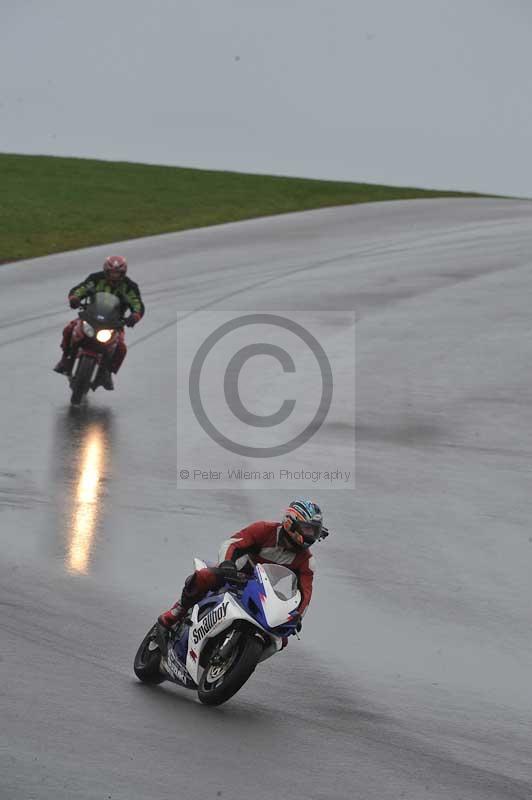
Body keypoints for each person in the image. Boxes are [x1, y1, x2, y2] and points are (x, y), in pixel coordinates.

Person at [157, 499, 329, 637]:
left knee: (281, 638)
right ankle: (177, 611)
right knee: (204, 576)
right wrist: (226, 565)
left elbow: (305, 594)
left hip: (265, 595)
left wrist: (297, 616)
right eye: (307, 529)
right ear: (291, 523)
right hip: (235, 577)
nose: (311, 536)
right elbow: (231, 543)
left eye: (314, 531)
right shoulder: (264, 529)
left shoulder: (307, 561)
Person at [53, 255, 145, 390]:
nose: (114, 276)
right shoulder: (95, 279)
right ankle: (64, 359)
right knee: (69, 329)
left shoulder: (130, 286)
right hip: (90, 317)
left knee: (121, 348)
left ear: (123, 273)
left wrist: (135, 316)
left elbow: (137, 304)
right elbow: (81, 289)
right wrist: (74, 298)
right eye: (111, 273)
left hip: (115, 323)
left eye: (117, 273)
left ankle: (107, 373)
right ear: (106, 271)